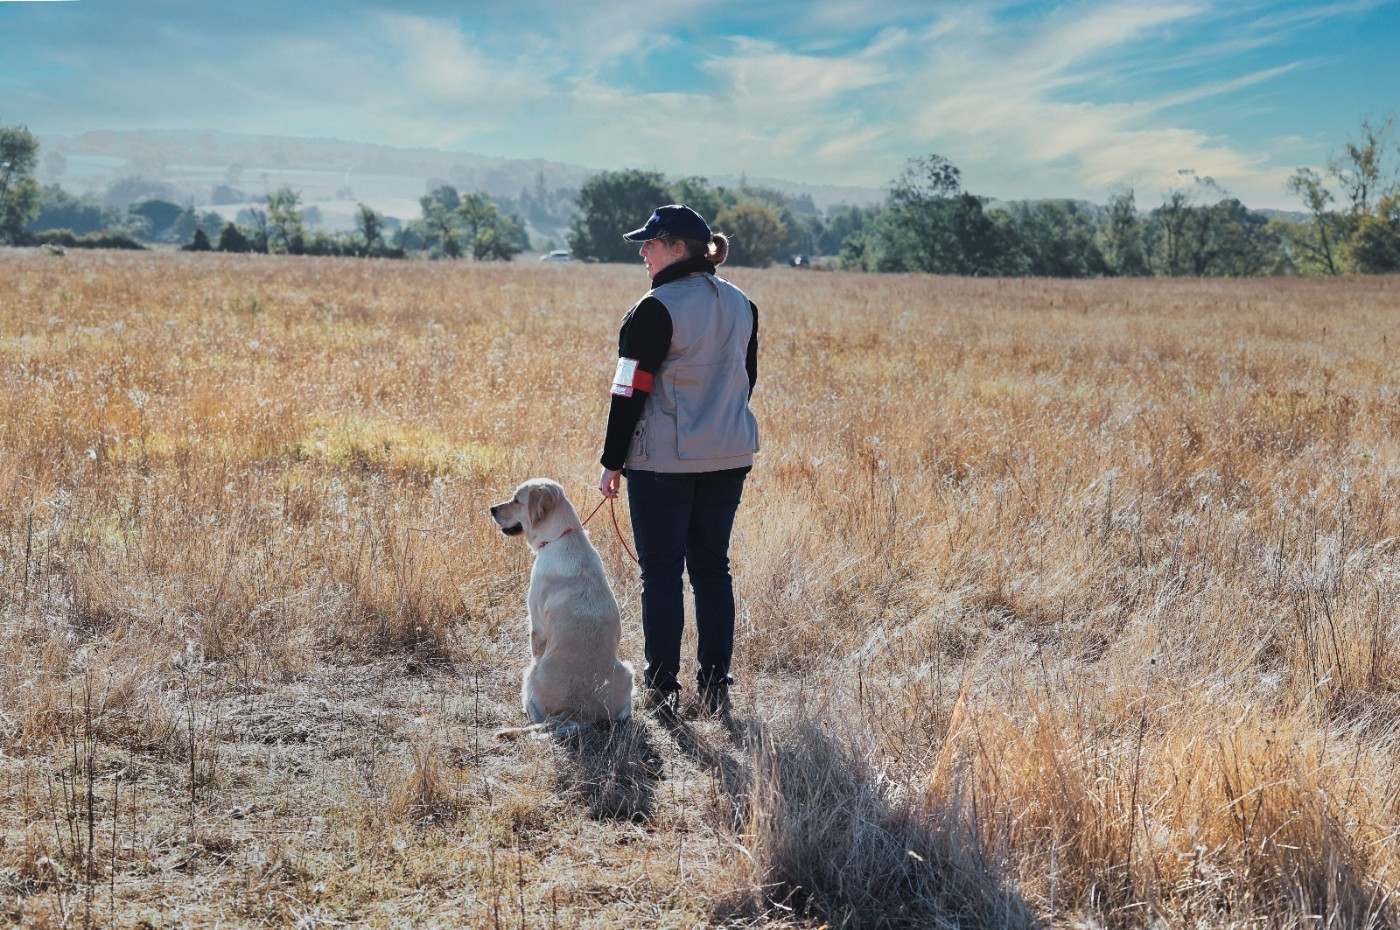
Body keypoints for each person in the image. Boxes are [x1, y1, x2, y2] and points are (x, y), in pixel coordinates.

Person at [597, 204, 759, 718]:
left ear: (677, 248)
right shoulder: (743, 303)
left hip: (663, 464)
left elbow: (628, 392)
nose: (643, 252)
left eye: (650, 243)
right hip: (729, 455)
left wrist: (611, 461)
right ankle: (715, 688)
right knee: (713, 570)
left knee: (662, 574)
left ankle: (662, 690)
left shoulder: (654, 308)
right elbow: (747, 380)